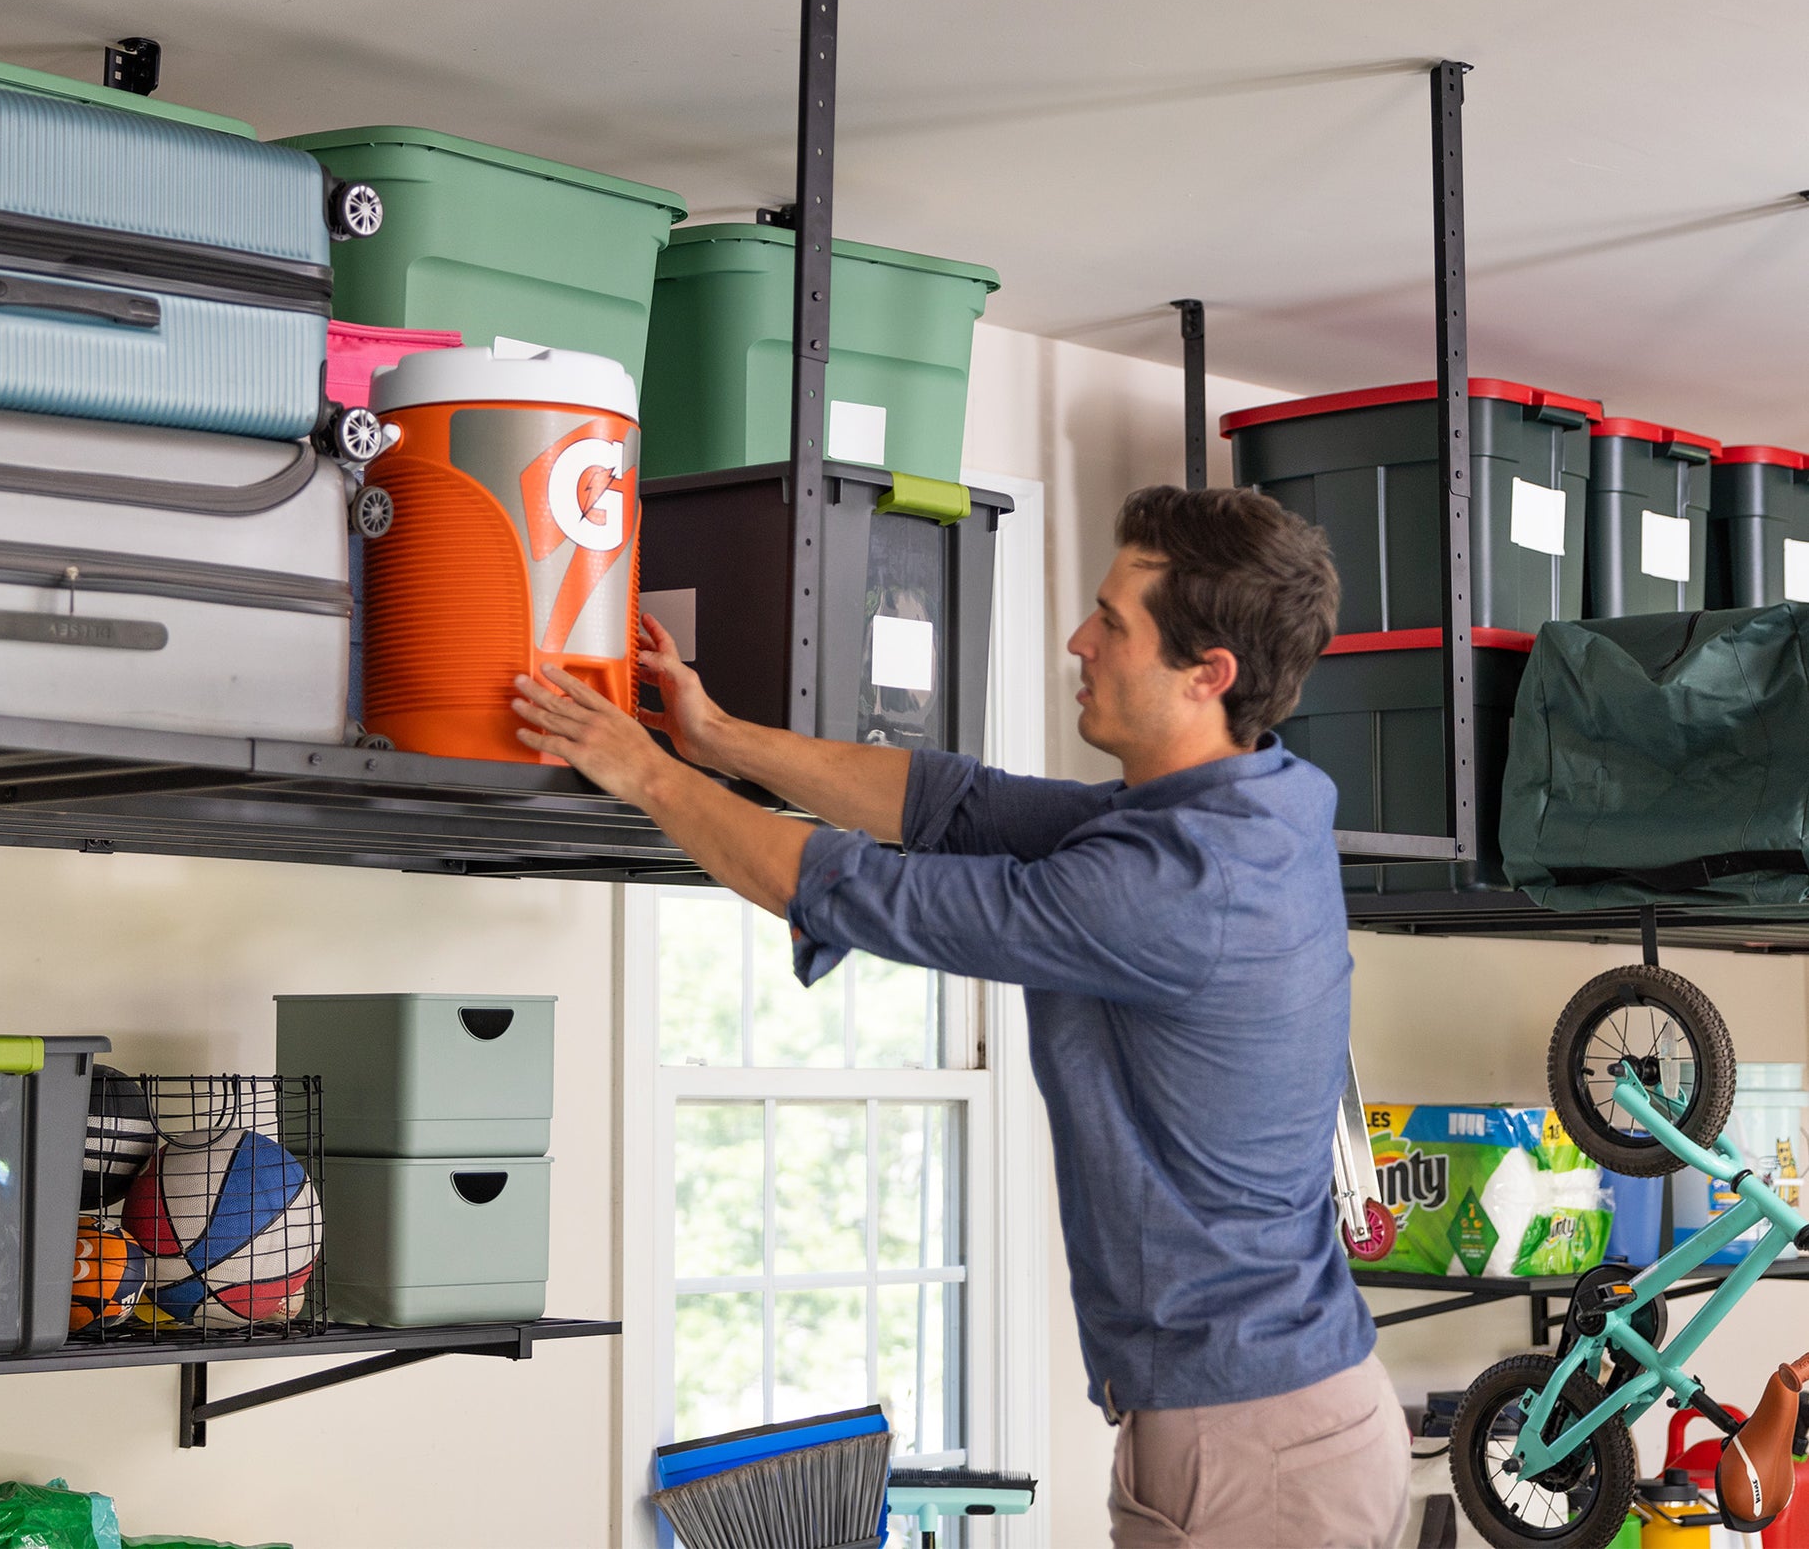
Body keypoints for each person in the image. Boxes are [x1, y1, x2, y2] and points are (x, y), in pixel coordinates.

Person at [513, 483, 1410, 1549]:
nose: (1078, 639)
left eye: (1112, 624)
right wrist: (717, 738)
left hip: (1250, 1446)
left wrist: (647, 775)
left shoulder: (1170, 887)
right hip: (1285, 1409)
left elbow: (861, 888)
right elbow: (954, 803)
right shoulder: (1251, 799)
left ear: (1205, 674)